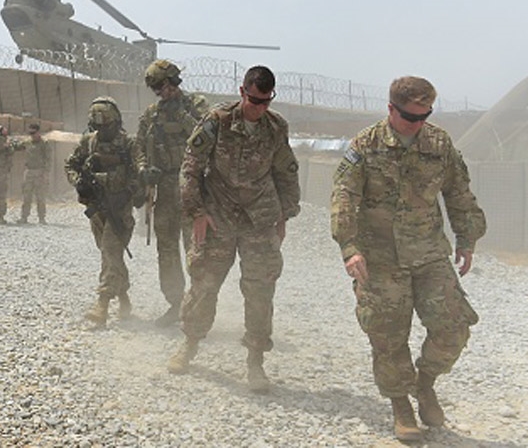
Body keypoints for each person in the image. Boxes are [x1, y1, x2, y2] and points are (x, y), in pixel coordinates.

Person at [331, 76, 486, 442]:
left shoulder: (439, 143)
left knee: (453, 328)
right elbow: (343, 197)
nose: (418, 124)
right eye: (409, 116)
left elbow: (459, 193)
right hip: (380, 259)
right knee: (388, 337)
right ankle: (401, 405)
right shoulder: (364, 146)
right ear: (391, 109)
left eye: (425, 115)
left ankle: (425, 382)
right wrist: (349, 248)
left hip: (430, 254)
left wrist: (467, 238)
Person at [166, 65, 300, 395]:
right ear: (242, 92)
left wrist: (285, 213)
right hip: (219, 215)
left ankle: (255, 362)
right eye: (254, 100)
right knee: (204, 284)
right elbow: (190, 167)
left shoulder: (276, 127)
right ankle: (190, 344)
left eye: (266, 101)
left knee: (260, 292)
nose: (260, 107)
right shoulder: (217, 121)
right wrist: (196, 211)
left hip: (259, 220)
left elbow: (286, 172)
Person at [136, 59, 210, 327]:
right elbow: (139, 146)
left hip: (192, 188)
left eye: (163, 86)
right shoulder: (152, 114)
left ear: (174, 82)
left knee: (196, 247)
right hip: (165, 189)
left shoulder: (196, 105)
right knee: (166, 249)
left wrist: (179, 112)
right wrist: (145, 169)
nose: (160, 92)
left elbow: (205, 137)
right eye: (156, 89)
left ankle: (198, 305)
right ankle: (175, 303)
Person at [65, 97, 144, 328]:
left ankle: (102, 304)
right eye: (97, 127)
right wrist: (78, 181)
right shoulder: (88, 142)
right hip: (96, 208)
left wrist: (128, 191)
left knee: (110, 250)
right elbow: (70, 165)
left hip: (119, 209)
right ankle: (123, 297)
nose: (102, 131)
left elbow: (141, 171)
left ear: (116, 122)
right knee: (110, 254)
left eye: (106, 126)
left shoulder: (129, 144)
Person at [14, 123, 52, 224]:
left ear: (38, 132)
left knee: (40, 196)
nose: (31, 135)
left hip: (40, 172)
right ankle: (24, 217)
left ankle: (41, 218)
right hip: (29, 172)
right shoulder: (27, 142)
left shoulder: (44, 143)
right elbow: (16, 147)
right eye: (30, 133)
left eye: (33, 133)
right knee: (26, 196)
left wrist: (46, 173)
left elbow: (48, 159)